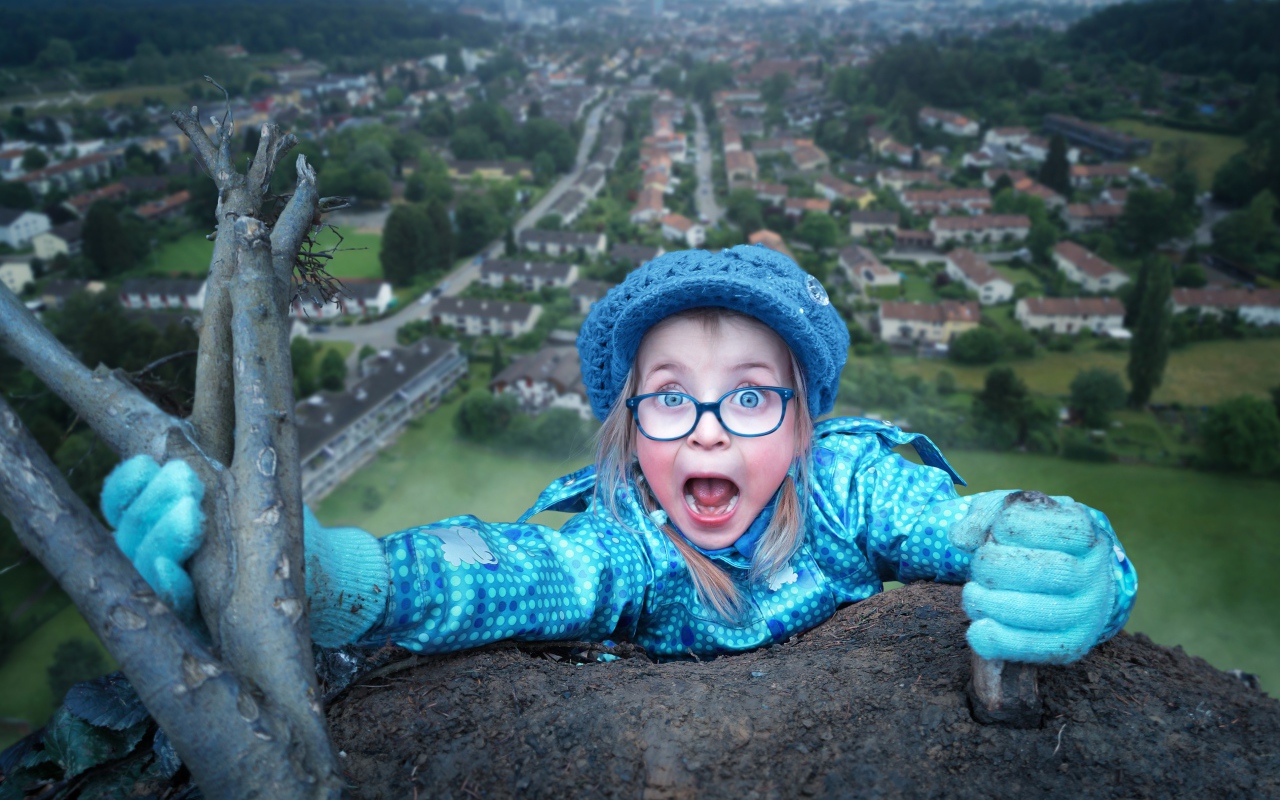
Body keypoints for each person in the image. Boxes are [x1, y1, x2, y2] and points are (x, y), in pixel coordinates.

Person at [101, 245, 1137, 663]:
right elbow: (508, 571)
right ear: (631, 435)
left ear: (801, 424)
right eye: (670, 400)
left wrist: (1057, 547)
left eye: (746, 395)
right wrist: (327, 578)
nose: (710, 430)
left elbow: (962, 520)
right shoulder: (629, 545)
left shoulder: (844, 485)